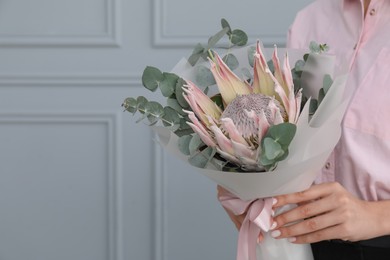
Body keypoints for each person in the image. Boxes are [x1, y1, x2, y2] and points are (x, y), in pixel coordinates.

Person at [218, 0, 390, 259]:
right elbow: (283, 130)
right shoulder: (310, 20)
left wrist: (379, 217)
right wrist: (242, 186)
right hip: (298, 245)